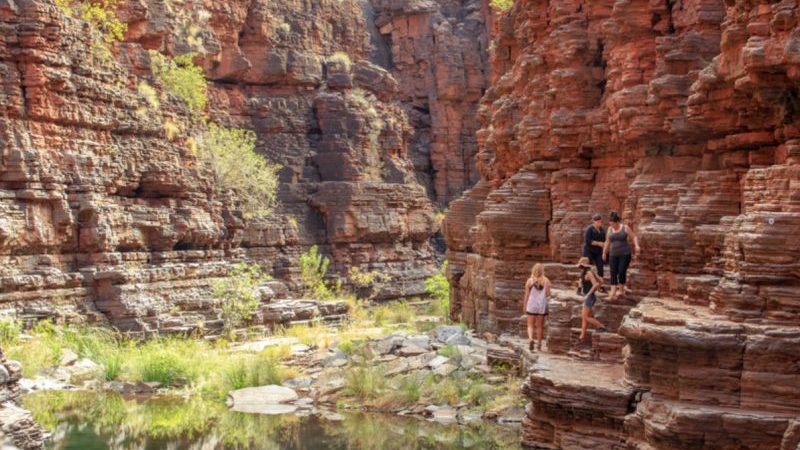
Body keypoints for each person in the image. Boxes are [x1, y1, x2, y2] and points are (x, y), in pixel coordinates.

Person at [602, 211, 640, 301]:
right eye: (610, 223)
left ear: (617, 222)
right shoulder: (609, 229)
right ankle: (613, 294)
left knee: (621, 271)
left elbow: (634, 237)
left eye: (613, 223)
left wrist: (636, 245)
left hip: (625, 254)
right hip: (613, 254)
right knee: (613, 273)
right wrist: (604, 252)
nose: (612, 225)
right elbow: (607, 241)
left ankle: (621, 290)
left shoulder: (625, 227)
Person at [577, 257, 606, 341]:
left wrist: (588, 294)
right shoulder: (586, 272)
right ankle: (582, 336)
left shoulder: (589, 273)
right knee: (585, 317)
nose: (580, 268)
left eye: (581, 266)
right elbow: (600, 281)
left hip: (589, 297)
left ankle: (601, 326)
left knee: (585, 317)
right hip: (588, 296)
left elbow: (595, 284)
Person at [523, 263, 550, 352]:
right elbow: (547, 295)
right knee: (540, 326)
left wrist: (525, 305)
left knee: (530, 325)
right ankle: (539, 345)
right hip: (541, 306)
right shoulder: (546, 281)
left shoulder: (529, 281)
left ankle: (531, 339)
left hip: (531, 304)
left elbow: (526, 295)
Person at [583, 213, 605, 278]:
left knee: (600, 268)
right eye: (597, 221)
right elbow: (588, 241)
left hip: (598, 252)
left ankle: (600, 285)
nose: (599, 223)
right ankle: (584, 283)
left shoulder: (602, 230)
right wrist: (599, 243)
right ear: (594, 221)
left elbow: (604, 240)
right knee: (588, 267)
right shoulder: (589, 229)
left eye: (600, 221)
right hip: (589, 251)